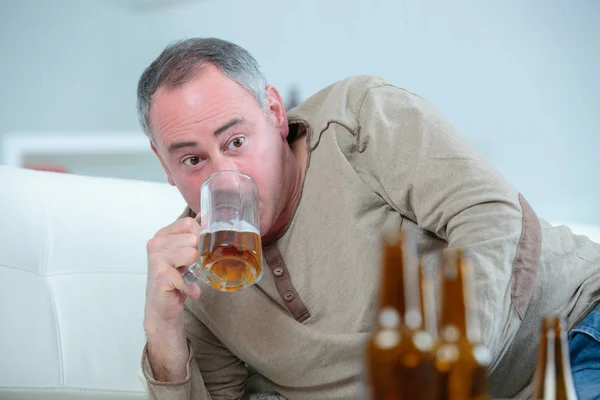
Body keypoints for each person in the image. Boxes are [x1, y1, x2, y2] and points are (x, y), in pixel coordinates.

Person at [137, 37, 600, 400]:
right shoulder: (197, 276)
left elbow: (492, 215)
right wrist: (162, 332)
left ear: (274, 113)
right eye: (193, 161)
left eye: (235, 142)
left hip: (573, 332)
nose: (224, 174)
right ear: (165, 166)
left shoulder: (356, 120)